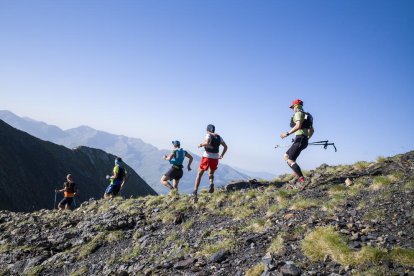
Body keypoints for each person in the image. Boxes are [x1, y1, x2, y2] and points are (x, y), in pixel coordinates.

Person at [280, 99, 314, 184]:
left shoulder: (298, 113)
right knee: (286, 156)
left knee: (290, 160)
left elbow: (298, 126)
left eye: (292, 107)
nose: (292, 109)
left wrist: (286, 134)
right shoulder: (307, 116)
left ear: (296, 106)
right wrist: (306, 138)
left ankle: (302, 180)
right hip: (301, 139)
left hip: (300, 139)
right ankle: (298, 174)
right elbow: (312, 130)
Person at [193, 124, 228, 201]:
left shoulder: (208, 135)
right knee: (211, 173)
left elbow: (207, 143)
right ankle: (211, 183)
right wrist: (221, 155)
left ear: (207, 129)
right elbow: (226, 147)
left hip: (207, 156)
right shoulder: (219, 137)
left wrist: (200, 145)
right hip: (215, 157)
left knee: (199, 174)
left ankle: (195, 191)